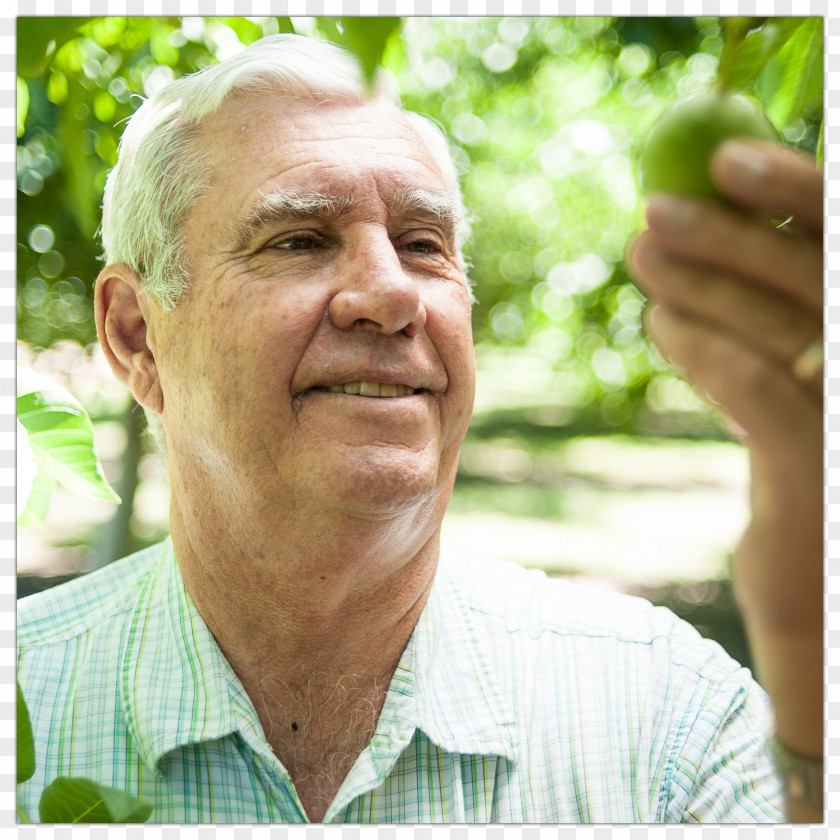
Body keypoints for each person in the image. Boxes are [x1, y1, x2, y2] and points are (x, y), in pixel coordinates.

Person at [17, 34, 822, 823]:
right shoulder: (28, 702)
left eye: (422, 245)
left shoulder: (666, 724)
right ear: (134, 335)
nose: (391, 294)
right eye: (298, 241)